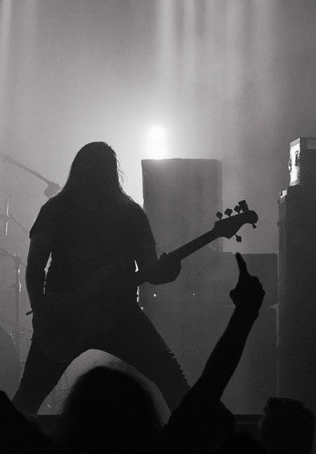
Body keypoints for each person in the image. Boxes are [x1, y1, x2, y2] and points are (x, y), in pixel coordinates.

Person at [10, 141, 191, 415]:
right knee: (172, 381)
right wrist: (42, 311)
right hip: (92, 316)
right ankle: (196, 435)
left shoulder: (60, 209)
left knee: (27, 398)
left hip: (87, 315)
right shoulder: (126, 212)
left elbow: (35, 266)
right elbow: (35, 266)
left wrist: (42, 309)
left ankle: (4, 440)